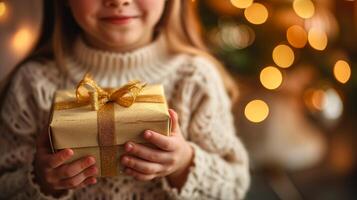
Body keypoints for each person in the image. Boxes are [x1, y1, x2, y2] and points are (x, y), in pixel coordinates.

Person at [0, 0, 250, 199]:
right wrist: (42, 181)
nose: (118, 1)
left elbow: (234, 187)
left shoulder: (195, 79)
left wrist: (184, 163)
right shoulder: (33, 83)